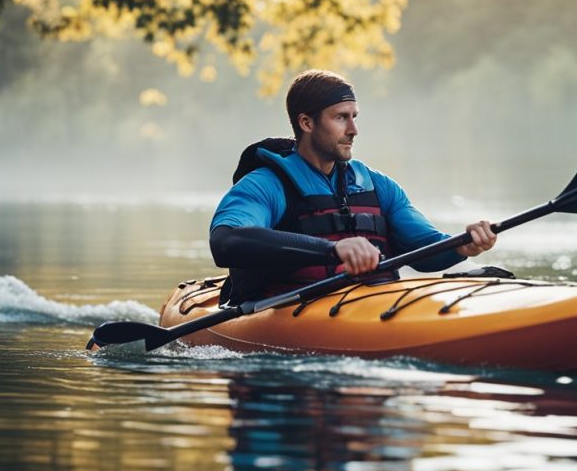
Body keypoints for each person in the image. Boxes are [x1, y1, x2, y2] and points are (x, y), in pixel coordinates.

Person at [209, 69, 496, 305]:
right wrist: (332, 250)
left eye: (354, 117)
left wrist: (462, 245)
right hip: (294, 310)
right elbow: (225, 242)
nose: (353, 130)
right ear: (306, 122)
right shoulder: (267, 185)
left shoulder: (378, 186)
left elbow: (424, 249)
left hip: (380, 304)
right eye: (340, 117)